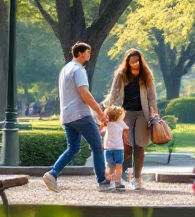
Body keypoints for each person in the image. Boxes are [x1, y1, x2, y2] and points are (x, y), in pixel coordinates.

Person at [43, 42, 114, 193]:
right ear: (81, 53)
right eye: (88, 52)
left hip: (67, 116)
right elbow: (84, 94)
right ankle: (103, 181)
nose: (90, 55)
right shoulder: (79, 70)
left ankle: (52, 174)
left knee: (73, 148)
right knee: (97, 146)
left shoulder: (66, 69)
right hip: (80, 114)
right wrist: (100, 113)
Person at [103, 48, 160, 191]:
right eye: (131, 61)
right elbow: (114, 93)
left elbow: (152, 97)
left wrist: (154, 112)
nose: (134, 64)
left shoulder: (146, 75)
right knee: (126, 144)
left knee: (139, 145)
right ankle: (120, 176)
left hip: (142, 113)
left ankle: (137, 178)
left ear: (140, 61)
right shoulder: (121, 75)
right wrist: (105, 106)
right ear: (127, 61)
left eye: (136, 61)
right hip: (125, 112)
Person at [102, 104, 129, 191]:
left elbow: (101, 129)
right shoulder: (121, 123)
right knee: (119, 165)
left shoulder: (107, 123)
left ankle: (109, 181)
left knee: (110, 166)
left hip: (108, 148)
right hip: (119, 148)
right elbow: (127, 128)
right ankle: (118, 182)